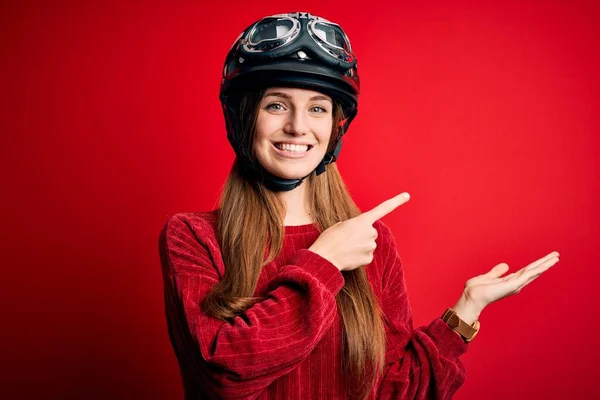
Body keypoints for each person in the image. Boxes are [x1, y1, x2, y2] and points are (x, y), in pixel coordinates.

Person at [158, 12, 560, 400]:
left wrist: (466, 311)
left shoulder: (369, 241)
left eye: (318, 108)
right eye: (276, 105)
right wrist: (323, 262)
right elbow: (224, 374)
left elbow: (393, 392)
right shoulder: (192, 236)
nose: (298, 126)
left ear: (335, 126)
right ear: (243, 118)